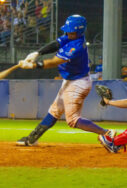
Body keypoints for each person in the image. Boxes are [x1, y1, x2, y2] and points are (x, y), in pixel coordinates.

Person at [16, 15, 110, 146]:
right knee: (54, 111)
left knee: (72, 120)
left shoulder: (76, 46)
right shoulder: (71, 37)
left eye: (70, 31)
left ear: (78, 32)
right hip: (71, 81)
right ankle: (32, 138)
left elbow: (55, 61)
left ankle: (106, 133)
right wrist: (38, 53)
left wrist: (34, 65)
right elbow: (56, 44)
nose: (67, 33)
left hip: (78, 83)